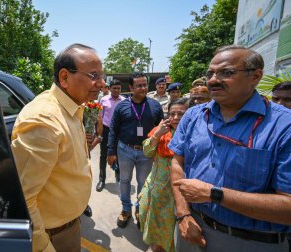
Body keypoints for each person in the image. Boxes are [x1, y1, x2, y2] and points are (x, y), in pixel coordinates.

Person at [169, 45, 291, 252]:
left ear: (256, 76)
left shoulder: (284, 127)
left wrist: (215, 194)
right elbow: (177, 162)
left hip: (251, 242)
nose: (213, 80)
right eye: (210, 73)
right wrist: (183, 213)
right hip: (190, 228)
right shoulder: (193, 116)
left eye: (226, 73)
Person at [11, 43, 105, 252]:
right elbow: (23, 199)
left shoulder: (71, 106)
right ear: (64, 78)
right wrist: (43, 246)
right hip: (53, 235)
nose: (101, 83)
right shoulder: (44, 120)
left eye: (101, 75)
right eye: (94, 75)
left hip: (69, 225)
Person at [107, 72, 164, 228]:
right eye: (139, 85)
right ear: (131, 87)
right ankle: (126, 209)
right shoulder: (122, 106)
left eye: (145, 84)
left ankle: (140, 209)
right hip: (125, 150)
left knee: (143, 182)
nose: (143, 88)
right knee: (124, 180)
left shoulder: (155, 106)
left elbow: (162, 130)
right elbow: (113, 129)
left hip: (146, 153)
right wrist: (111, 152)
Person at [139, 98, 188, 252]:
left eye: (180, 114)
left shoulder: (193, 134)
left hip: (177, 194)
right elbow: (147, 152)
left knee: (172, 229)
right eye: (172, 114)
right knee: (150, 221)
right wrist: (158, 134)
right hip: (156, 189)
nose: (175, 118)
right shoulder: (160, 131)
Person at [96, 79, 125, 192]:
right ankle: (102, 179)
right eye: (114, 88)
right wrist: (98, 132)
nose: (116, 90)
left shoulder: (124, 101)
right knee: (104, 155)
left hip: (119, 131)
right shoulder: (103, 99)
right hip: (106, 130)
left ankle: (119, 175)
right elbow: (99, 117)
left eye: (118, 88)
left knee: (119, 153)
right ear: (110, 88)